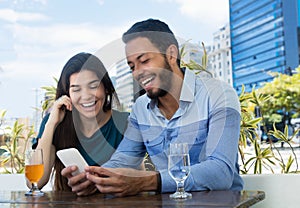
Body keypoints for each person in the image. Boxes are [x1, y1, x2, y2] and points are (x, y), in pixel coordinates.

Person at [63, 18, 243, 197]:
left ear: (171, 54)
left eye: (145, 60)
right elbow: (124, 158)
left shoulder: (219, 95)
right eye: (132, 66)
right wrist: (95, 178)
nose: (138, 73)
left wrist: (147, 181)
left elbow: (221, 172)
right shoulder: (141, 108)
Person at [32, 52, 129, 196]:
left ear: (106, 87)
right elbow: (35, 182)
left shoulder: (126, 122)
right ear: (67, 95)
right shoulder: (55, 123)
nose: (86, 96)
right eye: (76, 89)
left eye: (93, 86)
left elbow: (141, 174)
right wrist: (51, 123)